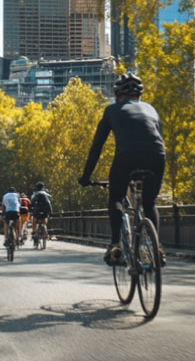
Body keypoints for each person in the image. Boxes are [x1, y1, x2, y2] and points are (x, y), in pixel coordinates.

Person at [77, 72, 166, 266]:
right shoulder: (151, 109)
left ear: (117, 95)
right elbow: (158, 138)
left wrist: (86, 176)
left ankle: (116, 245)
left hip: (127, 156)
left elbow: (96, 147)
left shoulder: (112, 110)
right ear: (140, 96)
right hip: (157, 156)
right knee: (149, 203)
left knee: (116, 198)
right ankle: (157, 247)